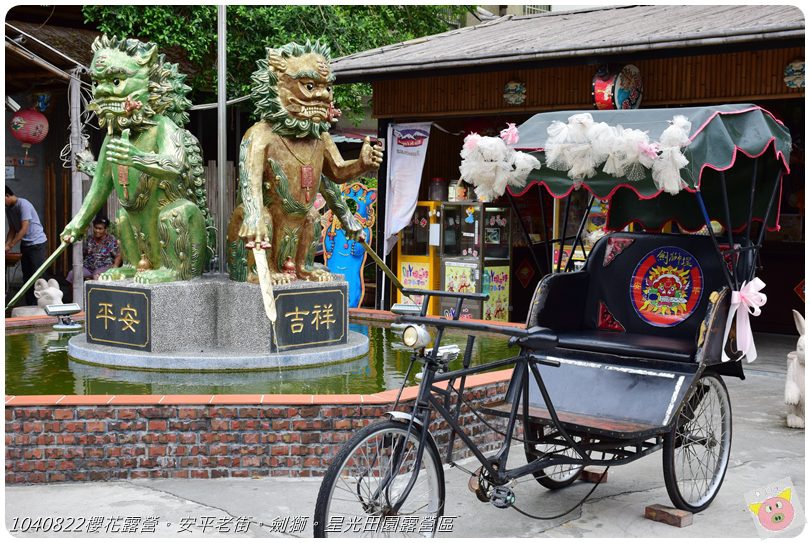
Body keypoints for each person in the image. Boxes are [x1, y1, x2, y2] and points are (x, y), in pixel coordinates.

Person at [5, 186, 49, 306]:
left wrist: (11, 244)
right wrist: (6, 245)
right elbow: (13, 229)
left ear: (7, 195)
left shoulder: (23, 204)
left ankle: (43, 305)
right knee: (27, 277)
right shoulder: (8, 209)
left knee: (38, 276)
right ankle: (31, 305)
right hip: (25, 244)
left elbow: (24, 229)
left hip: (37, 244)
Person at [66, 217, 121, 283]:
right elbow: (83, 253)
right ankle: (74, 293)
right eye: (96, 228)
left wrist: (115, 267)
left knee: (97, 276)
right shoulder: (89, 239)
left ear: (106, 229)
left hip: (104, 267)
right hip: (88, 268)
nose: (97, 230)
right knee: (72, 274)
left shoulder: (111, 240)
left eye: (100, 229)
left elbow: (118, 255)